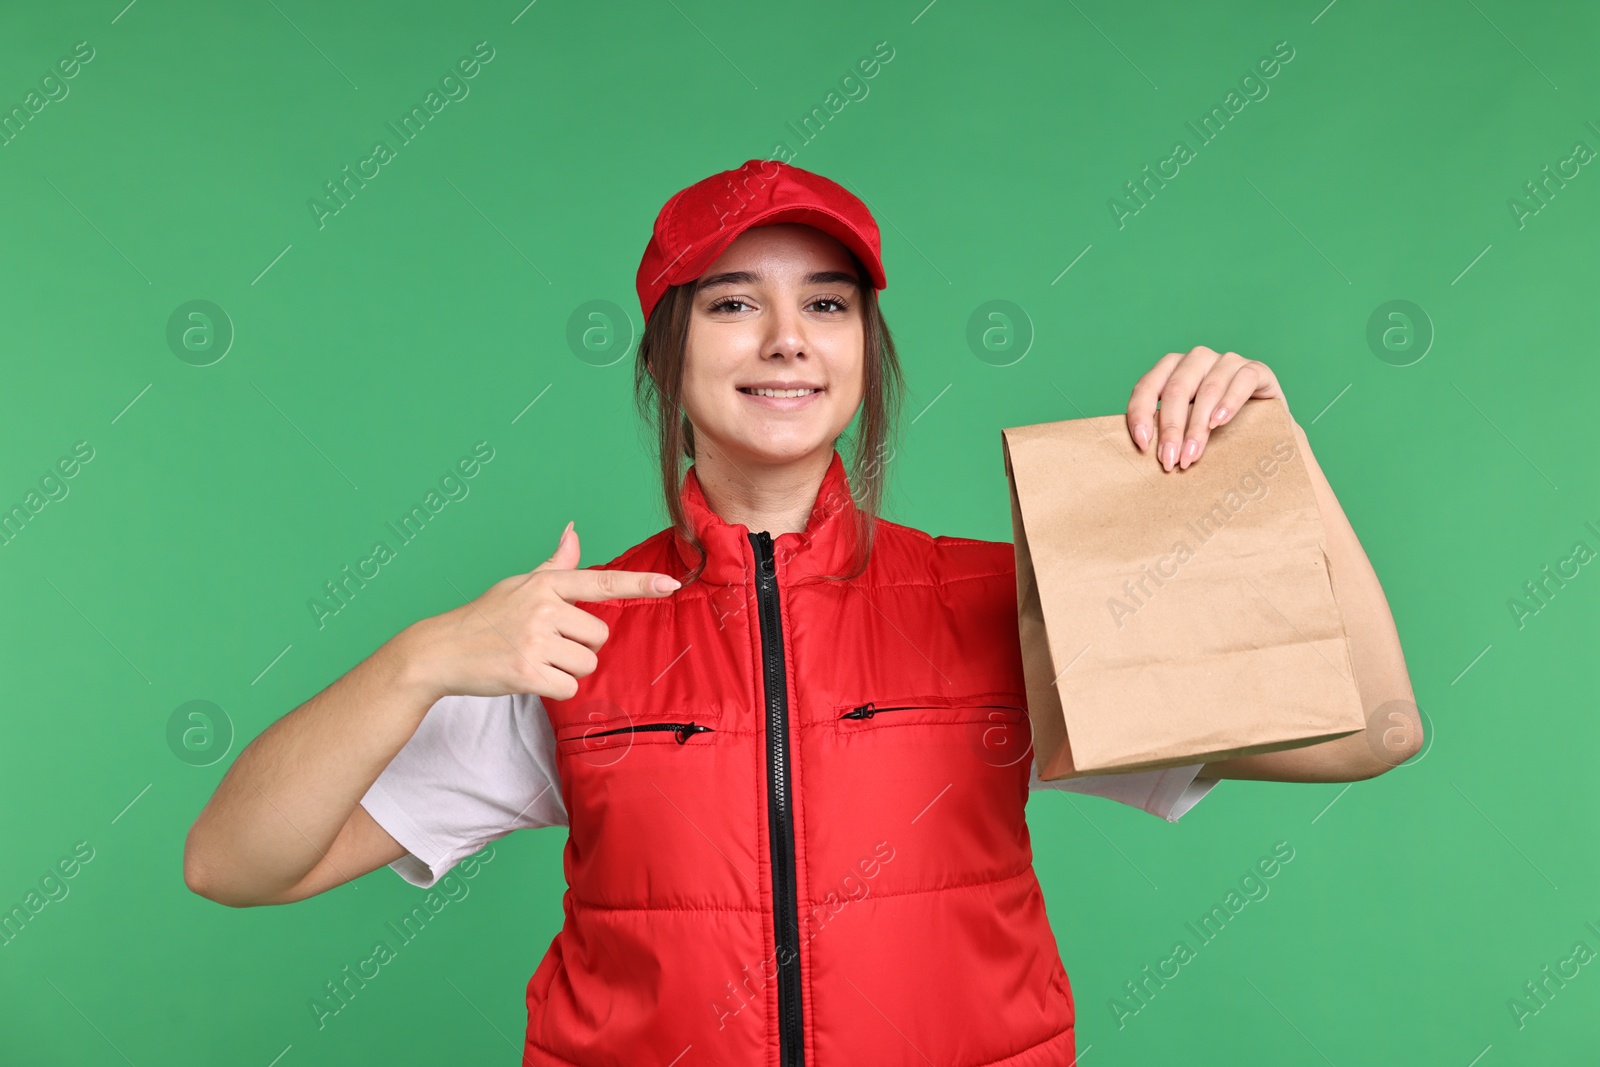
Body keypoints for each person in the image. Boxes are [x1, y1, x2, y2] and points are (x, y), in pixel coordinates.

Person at [183, 159, 1420, 1066]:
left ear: (865, 352)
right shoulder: (569, 635)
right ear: (665, 356)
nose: (785, 339)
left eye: (827, 304)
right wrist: (418, 660)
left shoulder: (1003, 600)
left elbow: (1372, 729)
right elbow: (232, 862)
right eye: (732, 303)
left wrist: (1278, 461)